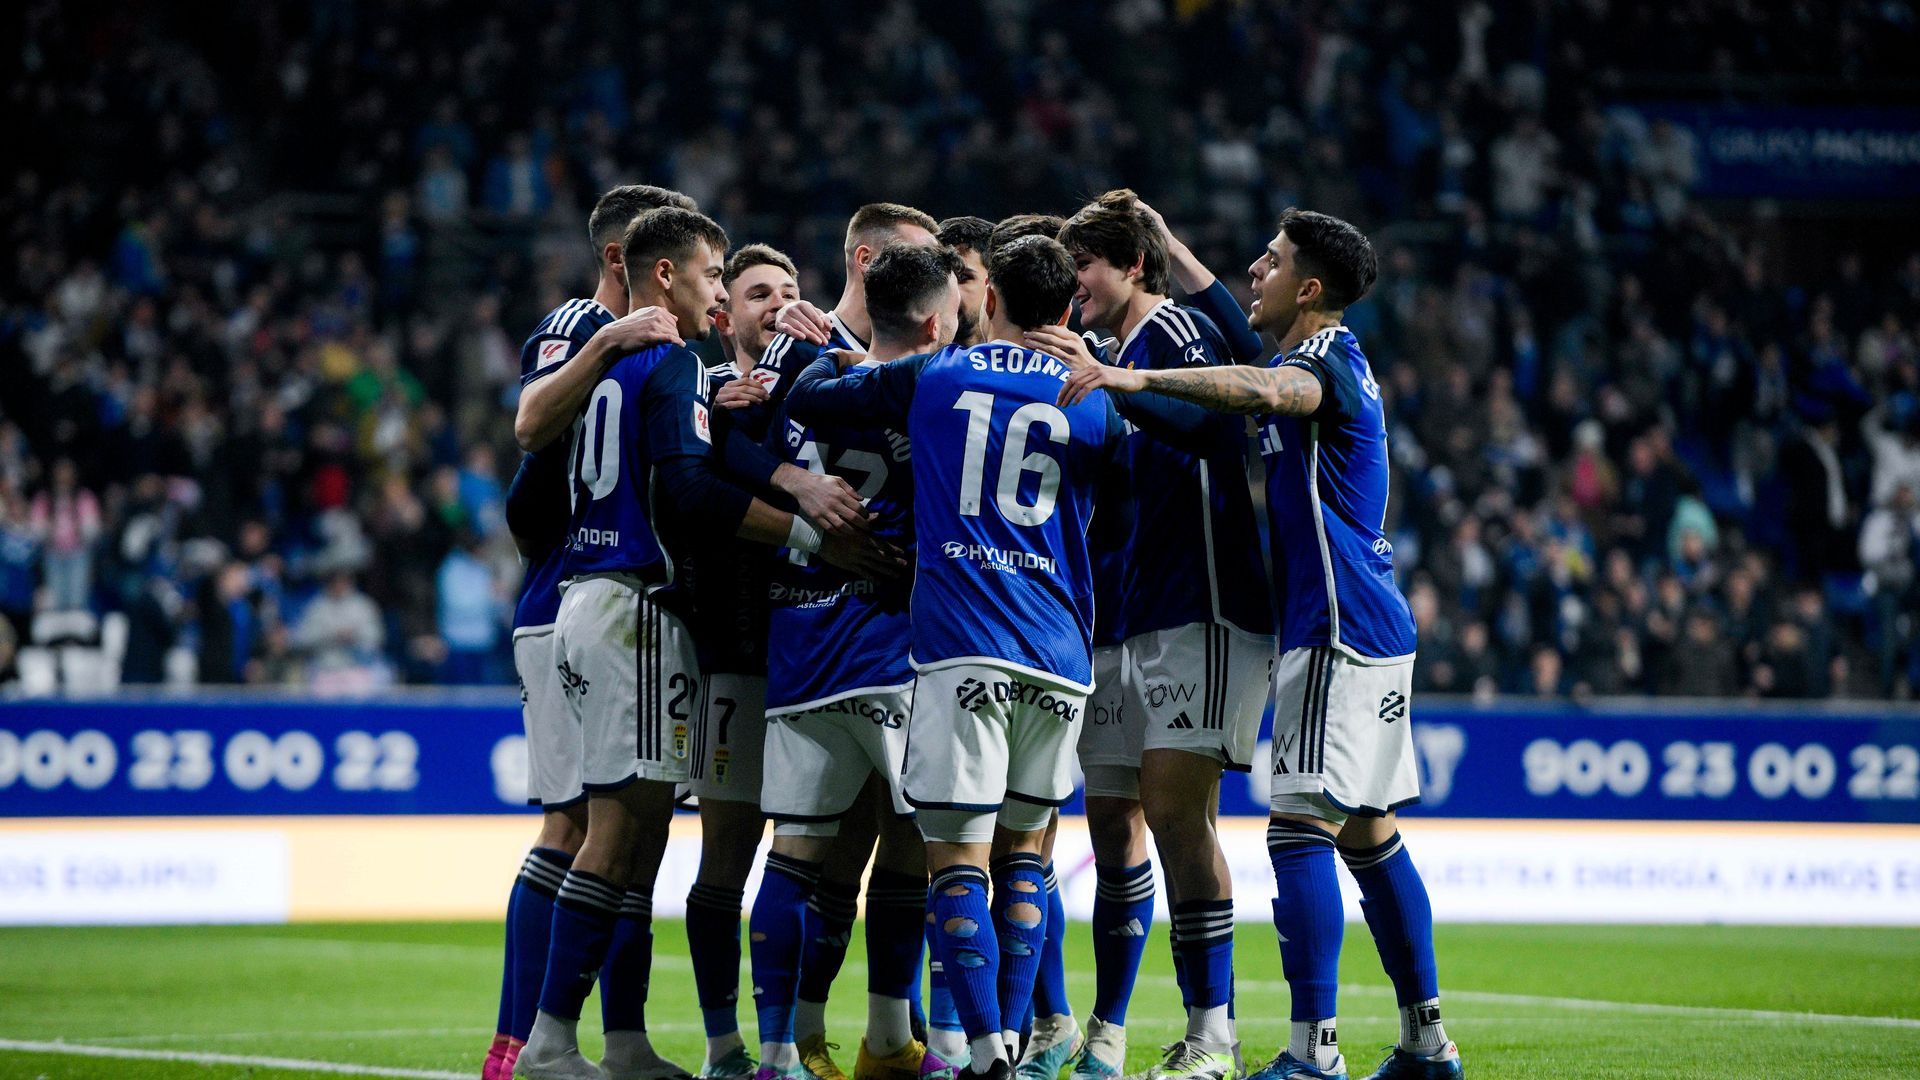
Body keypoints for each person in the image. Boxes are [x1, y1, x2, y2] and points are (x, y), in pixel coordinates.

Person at [1048, 209, 1464, 1080]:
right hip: (1362, 622)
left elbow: (1269, 391)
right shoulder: (1310, 350)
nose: (1252, 270)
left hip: (1338, 622)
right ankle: (1428, 1042)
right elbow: (1242, 344)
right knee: (1369, 835)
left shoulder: (1320, 363)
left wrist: (1126, 384)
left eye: (1270, 263)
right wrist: (1165, 240)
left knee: (1298, 832)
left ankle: (1314, 1053)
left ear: (1309, 290)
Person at [517, 206, 890, 1080]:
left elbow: (530, 490)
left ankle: (622, 1042)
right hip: (637, 608)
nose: (718, 294)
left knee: (639, 839)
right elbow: (686, 491)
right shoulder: (674, 359)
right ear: (663, 277)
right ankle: (548, 1040)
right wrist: (806, 535)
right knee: (615, 835)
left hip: (586, 594)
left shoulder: (610, 365)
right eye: (715, 276)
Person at [785, 236, 1127, 1080]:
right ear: (1068, 308)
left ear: (994, 299)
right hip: (1058, 651)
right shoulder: (1096, 397)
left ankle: (980, 1052)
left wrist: (828, 351)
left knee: (957, 861)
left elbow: (815, 401)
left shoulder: (937, 376)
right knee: (1025, 857)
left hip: (962, 647)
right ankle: (1011, 1036)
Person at [1054, 190, 1275, 1080]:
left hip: (1206, 604)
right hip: (1137, 611)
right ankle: (1148, 1029)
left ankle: (1211, 1034)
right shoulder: (1113, 351)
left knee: (1179, 813)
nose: (1076, 292)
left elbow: (1217, 425)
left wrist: (1123, 386)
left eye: (1088, 271)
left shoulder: (1173, 334)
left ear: (1133, 266)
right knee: (1123, 810)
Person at [489, 183, 699, 1080]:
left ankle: (622, 1039)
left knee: (629, 824)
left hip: (589, 594)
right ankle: (521, 1042)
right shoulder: (580, 322)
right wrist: (611, 336)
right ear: (623, 263)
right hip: (570, 601)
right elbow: (531, 437)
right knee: (576, 825)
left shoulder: (656, 360)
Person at [735, 203, 944, 1080]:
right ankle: (892, 1040)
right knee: (923, 845)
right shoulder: (928, 370)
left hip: (806, 641)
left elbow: (723, 447)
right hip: (889, 641)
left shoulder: (796, 358)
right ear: (868, 260)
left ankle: (791, 1050)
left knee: (801, 849)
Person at [679, 244, 804, 1080]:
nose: (779, 304)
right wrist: (723, 414)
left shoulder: (821, 387)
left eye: (791, 292)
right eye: (760, 293)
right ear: (726, 316)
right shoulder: (697, 394)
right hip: (732, 650)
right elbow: (690, 497)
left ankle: (799, 1040)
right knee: (726, 852)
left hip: (818, 655)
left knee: (811, 859)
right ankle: (726, 1044)